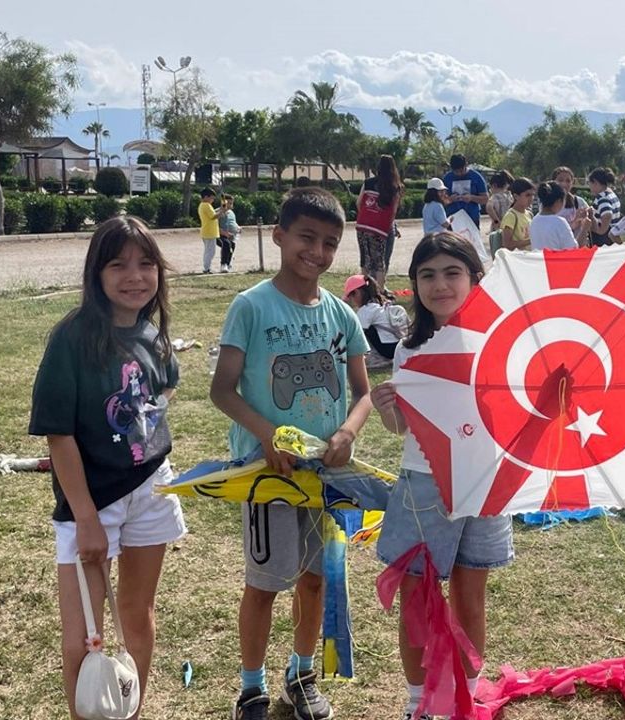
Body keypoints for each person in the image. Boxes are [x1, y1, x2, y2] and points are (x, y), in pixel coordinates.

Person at [210, 188, 373, 720]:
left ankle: (300, 676)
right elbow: (223, 389)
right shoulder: (251, 306)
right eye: (306, 237)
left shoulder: (340, 316)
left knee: (316, 578)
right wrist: (265, 435)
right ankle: (251, 688)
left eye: (330, 243)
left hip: (324, 478)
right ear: (279, 237)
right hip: (267, 476)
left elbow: (363, 390)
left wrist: (347, 432)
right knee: (265, 584)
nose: (318, 252)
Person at [28, 216, 188, 720]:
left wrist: (149, 432)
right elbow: (60, 435)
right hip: (91, 504)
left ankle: (130, 711)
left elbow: (166, 387)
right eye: (118, 265)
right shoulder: (72, 339)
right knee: (84, 635)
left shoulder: (153, 334)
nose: (134, 276)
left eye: (146, 264)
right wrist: (87, 518)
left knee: (137, 617)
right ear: (96, 273)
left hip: (152, 492)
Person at [369, 232, 513, 720]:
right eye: (427, 275)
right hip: (424, 484)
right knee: (418, 594)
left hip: (484, 483)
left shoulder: (502, 342)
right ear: (414, 285)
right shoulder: (411, 349)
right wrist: (388, 408)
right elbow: (403, 429)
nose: (440, 285)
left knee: (472, 595)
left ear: (475, 279)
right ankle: (418, 704)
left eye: (452, 273)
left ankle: (465, 697)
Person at [357, 154, 405, 292]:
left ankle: (363, 291)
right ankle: (380, 292)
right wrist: (389, 226)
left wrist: (368, 217)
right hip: (381, 229)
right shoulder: (395, 187)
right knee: (380, 262)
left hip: (363, 226)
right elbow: (393, 212)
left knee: (365, 261)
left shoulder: (368, 182)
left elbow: (359, 203)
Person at [343, 273, 405, 364]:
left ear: (357, 292)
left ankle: (376, 357)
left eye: (350, 297)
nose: (352, 301)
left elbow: (352, 334)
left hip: (388, 350)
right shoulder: (379, 304)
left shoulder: (366, 310)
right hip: (398, 345)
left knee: (361, 330)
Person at [529, 181, 579, 251]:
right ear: (559, 201)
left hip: (539, 261)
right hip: (556, 261)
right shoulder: (560, 222)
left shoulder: (534, 221)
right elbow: (572, 249)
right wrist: (585, 229)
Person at [442, 154, 488, 228]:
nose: (459, 174)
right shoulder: (447, 178)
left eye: (461, 171)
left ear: (466, 165)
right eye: (456, 171)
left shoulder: (476, 177)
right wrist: (450, 199)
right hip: (452, 219)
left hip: (472, 218)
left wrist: (472, 198)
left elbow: (485, 199)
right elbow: (440, 201)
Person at [551, 166, 592, 244]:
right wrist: (574, 223)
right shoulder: (548, 204)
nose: (564, 184)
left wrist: (589, 216)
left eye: (568, 181)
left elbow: (590, 226)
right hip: (558, 247)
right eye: (560, 180)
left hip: (578, 247)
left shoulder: (579, 202)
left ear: (572, 183)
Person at [587, 167, 621, 247]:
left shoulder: (602, 198)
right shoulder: (612, 194)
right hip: (613, 236)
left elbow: (607, 214)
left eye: (589, 183)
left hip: (602, 240)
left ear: (595, 182)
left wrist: (599, 229)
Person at [500, 177, 536, 251]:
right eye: (527, 195)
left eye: (533, 195)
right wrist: (530, 241)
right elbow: (507, 245)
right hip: (517, 258)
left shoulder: (529, 214)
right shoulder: (511, 216)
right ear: (516, 196)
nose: (531, 198)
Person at [198, 188, 221, 274]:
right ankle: (206, 268)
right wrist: (222, 211)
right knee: (210, 252)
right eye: (211, 198)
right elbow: (213, 216)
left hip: (207, 231)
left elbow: (213, 213)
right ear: (206, 197)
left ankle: (206, 267)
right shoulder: (206, 205)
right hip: (209, 232)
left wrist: (220, 209)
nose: (213, 200)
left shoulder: (203, 205)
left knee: (208, 251)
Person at [218, 194, 241, 273]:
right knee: (226, 244)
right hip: (220, 235)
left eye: (231, 203)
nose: (230, 205)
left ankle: (228, 264)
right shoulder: (218, 212)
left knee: (232, 245)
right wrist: (225, 233)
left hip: (231, 235)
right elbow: (215, 227)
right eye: (229, 203)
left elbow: (233, 222)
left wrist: (238, 228)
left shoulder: (231, 213)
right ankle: (223, 264)